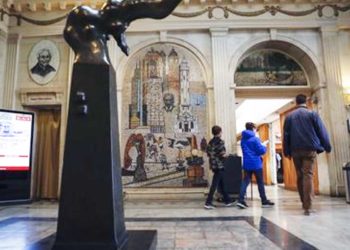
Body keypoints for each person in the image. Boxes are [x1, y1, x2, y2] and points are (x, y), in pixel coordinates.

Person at [283, 94, 331, 215]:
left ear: (296, 102)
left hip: (295, 150)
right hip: (310, 149)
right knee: (308, 175)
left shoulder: (289, 117)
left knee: (300, 175)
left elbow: (286, 135)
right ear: (306, 102)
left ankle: (304, 201)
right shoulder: (312, 114)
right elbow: (321, 131)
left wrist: (286, 151)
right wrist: (327, 146)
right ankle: (307, 206)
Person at [236, 122, 275, 209]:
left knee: (245, 181)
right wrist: (264, 145)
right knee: (260, 182)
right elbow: (261, 151)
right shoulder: (255, 139)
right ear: (253, 128)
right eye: (255, 128)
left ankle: (240, 200)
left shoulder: (243, 140)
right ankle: (264, 201)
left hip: (246, 164)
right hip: (256, 164)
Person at [204, 125, 234, 209]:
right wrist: (227, 155)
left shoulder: (210, 142)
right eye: (221, 131)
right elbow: (222, 154)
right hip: (219, 165)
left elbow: (208, 153)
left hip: (213, 164)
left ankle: (227, 200)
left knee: (222, 183)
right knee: (214, 184)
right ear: (220, 132)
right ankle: (208, 202)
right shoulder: (220, 142)